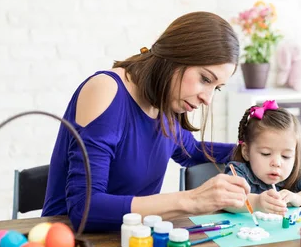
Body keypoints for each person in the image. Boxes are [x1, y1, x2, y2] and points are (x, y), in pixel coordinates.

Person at [42, 12, 252, 231]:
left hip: (129, 241)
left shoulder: (164, 105)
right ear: (176, 56)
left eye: (216, 88)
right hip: (68, 246)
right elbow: (84, 209)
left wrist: (257, 150)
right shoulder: (106, 89)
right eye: (205, 79)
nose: (207, 99)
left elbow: (193, 151)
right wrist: (192, 201)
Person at [224, 100, 301, 215]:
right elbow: (225, 198)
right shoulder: (239, 172)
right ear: (246, 152)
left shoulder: (294, 176)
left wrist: (299, 198)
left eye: (286, 156)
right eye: (266, 153)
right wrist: (257, 203)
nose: (277, 163)